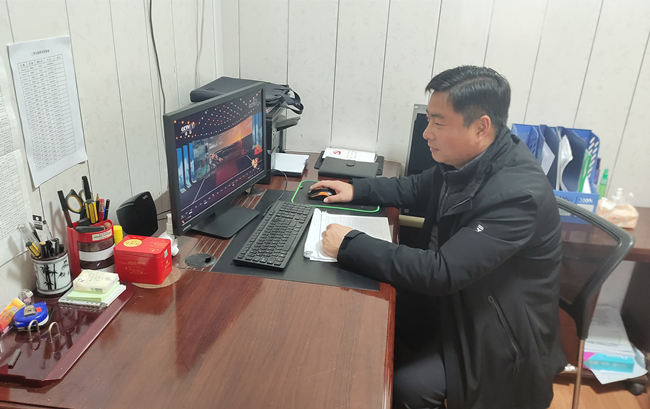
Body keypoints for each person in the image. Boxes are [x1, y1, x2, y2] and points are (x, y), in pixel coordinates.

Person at [310, 66, 566, 409]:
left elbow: (441, 272)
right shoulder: (469, 158)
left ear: (481, 127)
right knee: (355, 319)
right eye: (429, 120)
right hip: (456, 299)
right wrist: (356, 189)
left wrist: (349, 243)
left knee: (407, 386)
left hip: (496, 331)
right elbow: (417, 187)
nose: (426, 133)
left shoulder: (517, 195)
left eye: (438, 123)